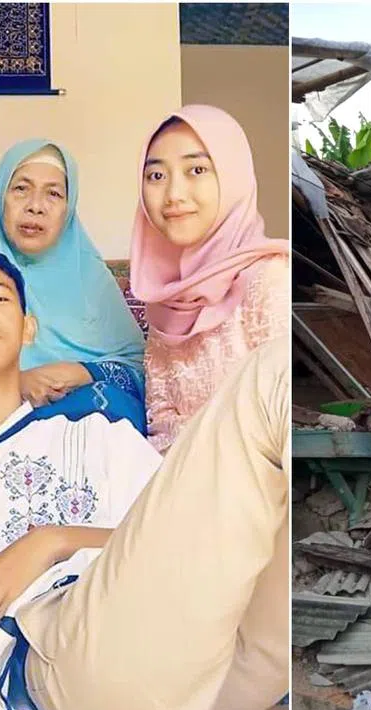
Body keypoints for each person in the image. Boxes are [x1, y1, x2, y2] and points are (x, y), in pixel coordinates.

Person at [0, 247, 288, 710]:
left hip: (226, 665)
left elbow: (181, 544)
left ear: (28, 328)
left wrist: (54, 541)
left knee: (278, 367)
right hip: (87, 674)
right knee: (269, 377)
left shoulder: (100, 439)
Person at [0, 140, 146, 431]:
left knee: (110, 404)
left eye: (53, 193)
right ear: (0, 196)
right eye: (21, 189)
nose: (35, 207)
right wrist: (13, 385)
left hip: (76, 418)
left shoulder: (90, 276)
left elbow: (138, 372)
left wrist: (80, 372)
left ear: (69, 208)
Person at [130, 104, 289, 452]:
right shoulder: (164, 295)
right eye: (156, 176)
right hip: (173, 474)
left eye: (197, 170)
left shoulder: (270, 281)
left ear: (233, 177)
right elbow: (160, 418)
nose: (173, 194)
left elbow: (282, 425)